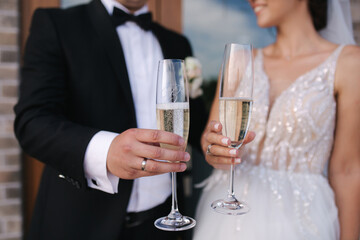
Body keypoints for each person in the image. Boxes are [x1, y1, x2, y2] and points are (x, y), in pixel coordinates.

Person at [14, 0, 206, 239]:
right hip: (82, 226)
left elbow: (195, 125)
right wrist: (105, 152)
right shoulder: (57, 25)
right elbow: (32, 122)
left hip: (162, 225)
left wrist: (213, 142)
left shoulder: (177, 43)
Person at [194, 0, 360, 239]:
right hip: (229, 218)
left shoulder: (349, 63)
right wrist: (214, 150)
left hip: (304, 219)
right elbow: (211, 143)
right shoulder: (239, 60)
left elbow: (347, 170)